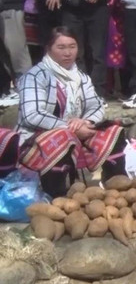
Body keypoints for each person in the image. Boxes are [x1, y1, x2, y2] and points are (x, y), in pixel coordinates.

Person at [15, 27, 128, 197]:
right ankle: (55, 194)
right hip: (36, 137)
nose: (68, 53)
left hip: (75, 132)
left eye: (72, 46)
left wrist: (87, 122)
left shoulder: (80, 76)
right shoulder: (36, 76)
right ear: (48, 48)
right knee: (63, 138)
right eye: (61, 47)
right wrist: (70, 128)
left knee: (113, 131)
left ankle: (116, 185)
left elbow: (96, 106)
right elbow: (32, 114)